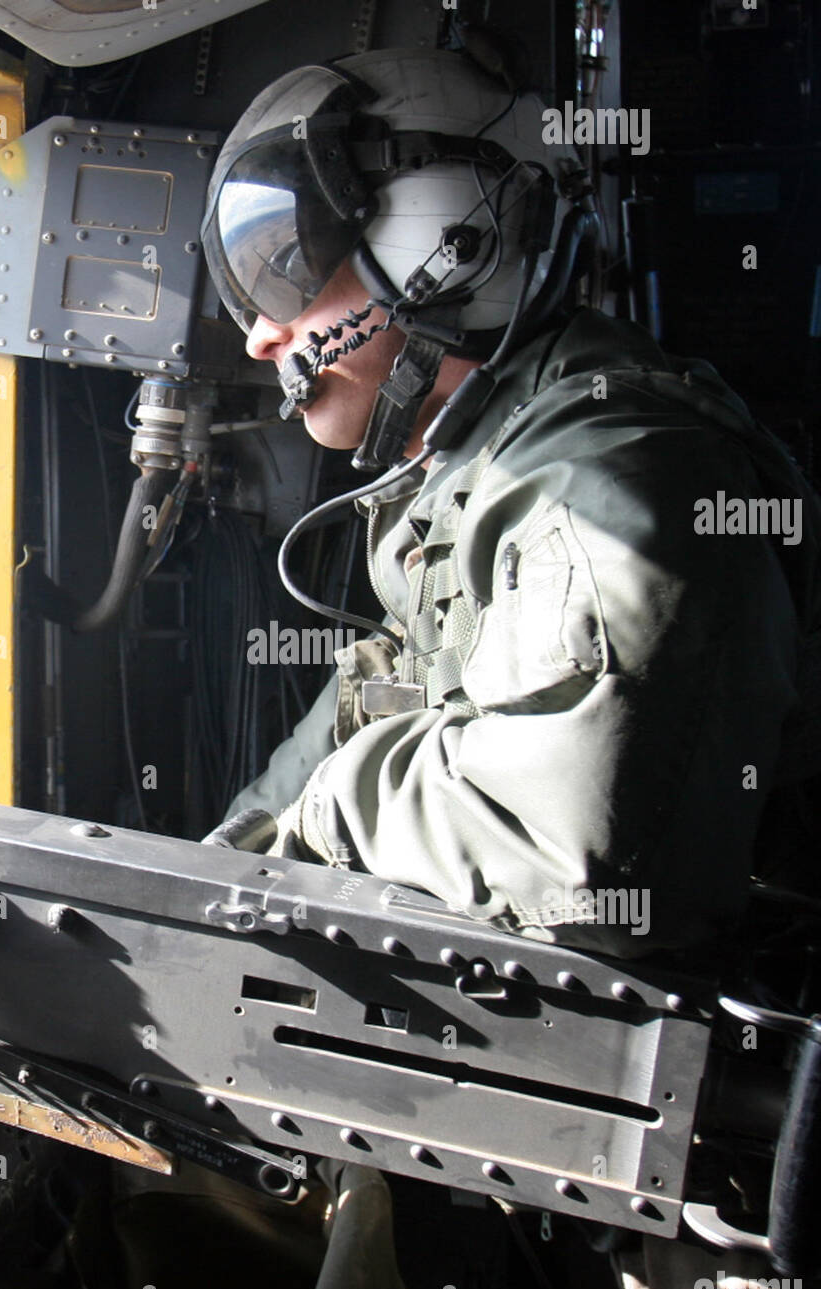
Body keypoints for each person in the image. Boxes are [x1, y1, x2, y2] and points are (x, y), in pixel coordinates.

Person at [200, 44, 821, 961]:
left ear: (442, 244)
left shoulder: (602, 481)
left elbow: (584, 853)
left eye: (288, 269)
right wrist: (217, 865)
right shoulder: (472, 469)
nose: (260, 336)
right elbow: (376, 697)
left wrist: (328, 813)